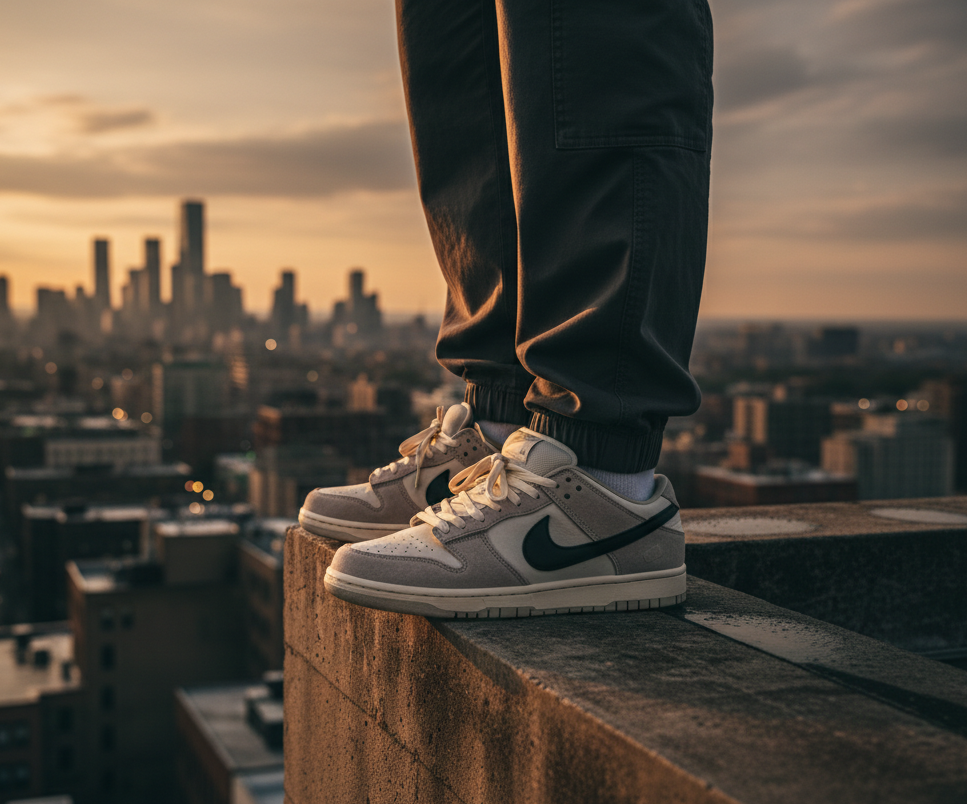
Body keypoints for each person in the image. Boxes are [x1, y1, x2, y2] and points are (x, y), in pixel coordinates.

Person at [299, 0, 714, 618]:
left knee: (596, 44)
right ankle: (498, 428)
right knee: (464, 67)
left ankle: (599, 476)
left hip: (600, 451)